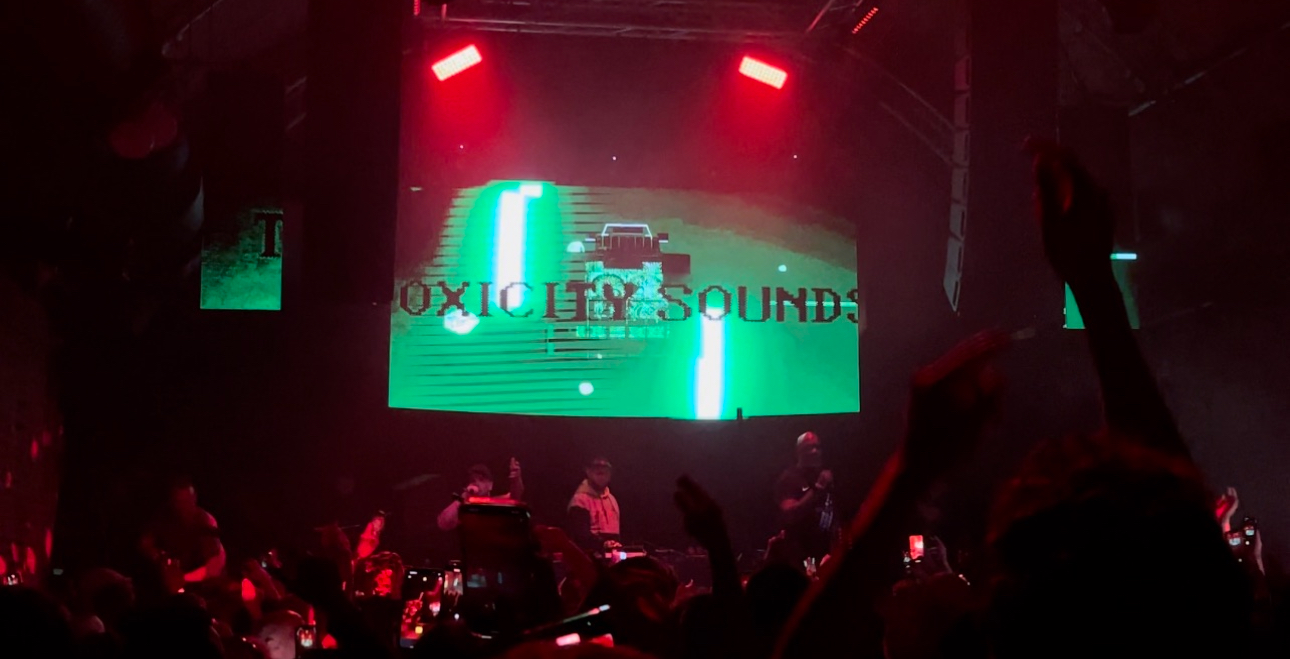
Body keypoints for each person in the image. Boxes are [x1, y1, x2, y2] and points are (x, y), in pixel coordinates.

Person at [139, 476, 226, 593]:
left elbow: (214, 567)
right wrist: (158, 557)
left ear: (194, 498)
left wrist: (184, 578)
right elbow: (145, 543)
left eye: (187, 501)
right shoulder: (162, 517)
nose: (182, 507)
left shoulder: (205, 521)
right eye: (178, 502)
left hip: (200, 583)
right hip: (169, 580)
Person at [774, 432, 840, 566]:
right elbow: (790, 514)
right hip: (801, 555)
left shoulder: (823, 474)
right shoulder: (789, 478)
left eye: (817, 447)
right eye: (809, 448)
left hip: (826, 551)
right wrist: (818, 488)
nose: (815, 451)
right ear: (798, 451)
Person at [437, 459, 524, 531]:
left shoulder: (496, 502)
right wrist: (463, 497)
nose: (476, 483)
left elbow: (515, 497)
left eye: (481, 480)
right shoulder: (464, 507)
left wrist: (516, 479)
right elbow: (444, 523)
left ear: (490, 485)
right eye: (473, 480)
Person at [567, 457, 621, 553]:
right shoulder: (580, 500)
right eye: (598, 471)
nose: (602, 475)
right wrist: (602, 544)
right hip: (589, 555)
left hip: (612, 554)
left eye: (605, 471)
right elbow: (580, 535)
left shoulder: (612, 500)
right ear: (588, 472)